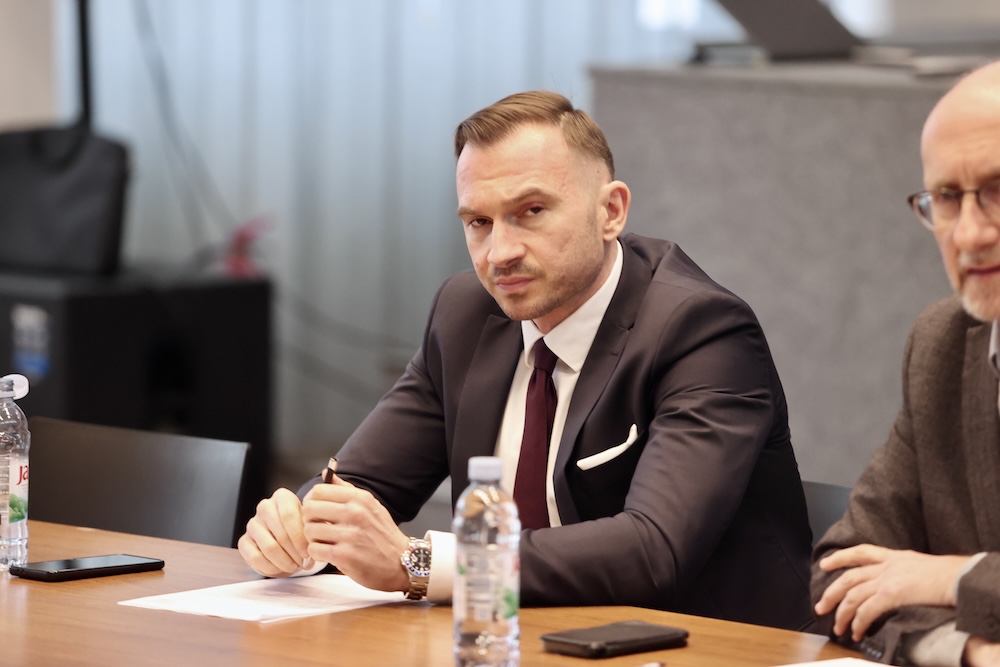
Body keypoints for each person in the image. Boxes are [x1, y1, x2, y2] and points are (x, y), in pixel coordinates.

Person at [239, 90, 813, 630]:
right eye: (478, 222)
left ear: (610, 211)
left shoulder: (701, 330)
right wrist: (298, 534)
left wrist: (418, 563)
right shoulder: (464, 314)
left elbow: (652, 548)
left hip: (707, 645)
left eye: (532, 211)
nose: (500, 253)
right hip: (523, 638)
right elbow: (359, 486)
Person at [812, 61, 1000, 666]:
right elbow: (843, 575)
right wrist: (968, 649)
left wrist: (952, 578)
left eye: (998, 190)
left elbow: (915, 579)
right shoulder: (944, 344)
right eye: (946, 198)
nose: (969, 234)